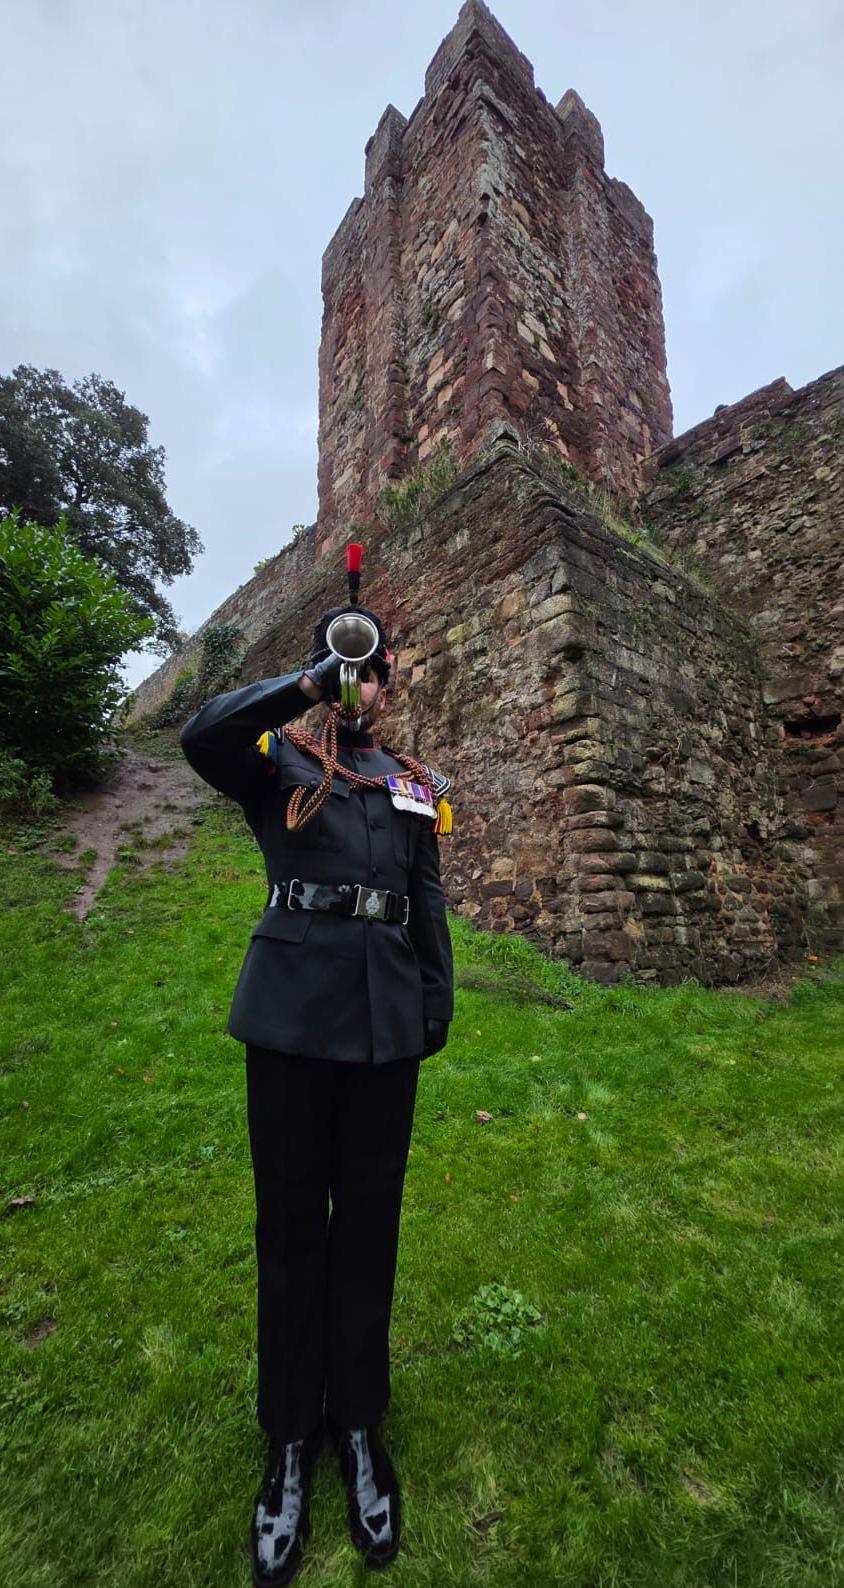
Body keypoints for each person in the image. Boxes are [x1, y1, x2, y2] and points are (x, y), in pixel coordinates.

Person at [179, 577, 453, 1585]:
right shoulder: (276, 758)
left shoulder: (412, 780)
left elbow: (425, 899)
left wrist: (436, 1003)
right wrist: (299, 684)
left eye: (372, 671)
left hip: (385, 1029)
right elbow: (202, 736)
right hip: (291, 1024)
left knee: (369, 1228)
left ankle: (360, 1425)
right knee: (292, 1230)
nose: (362, 682)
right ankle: (289, 1440)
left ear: (386, 689)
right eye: (349, 665)